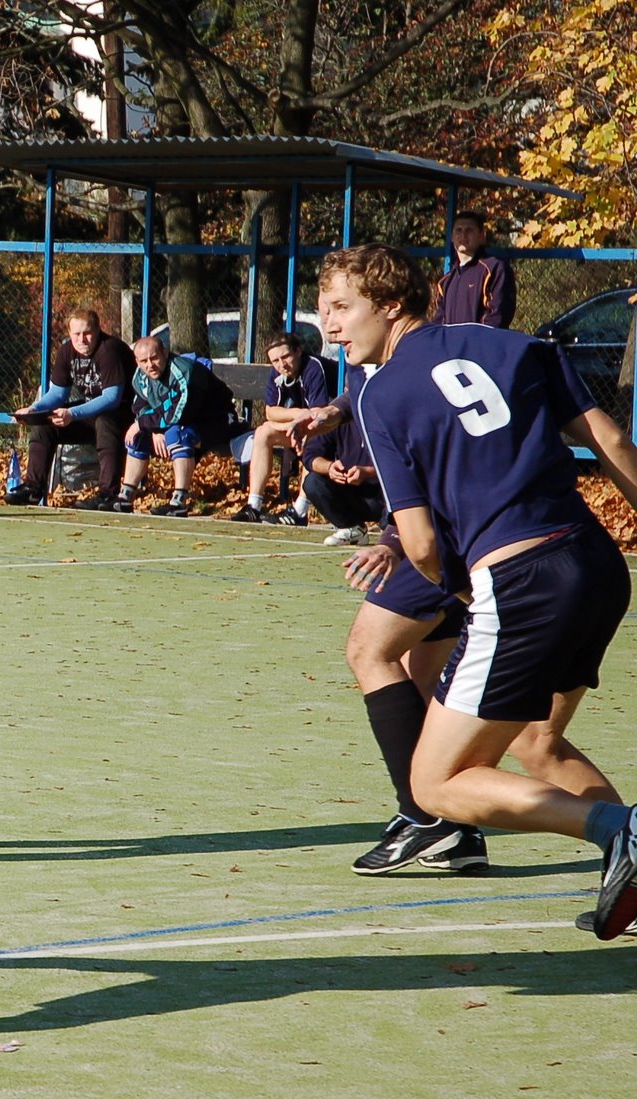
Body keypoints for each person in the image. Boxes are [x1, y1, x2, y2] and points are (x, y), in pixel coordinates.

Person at [301, 242, 637, 937]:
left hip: (521, 583)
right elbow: (610, 441)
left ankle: (622, 828)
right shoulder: (517, 345)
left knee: (437, 785)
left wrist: (467, 596)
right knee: (539, 743)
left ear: (390, 304)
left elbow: (422, 545)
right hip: (597, 566)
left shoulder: (382, 393)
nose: (328, 324)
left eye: (340, 307)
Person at [5, 307, 134, 508]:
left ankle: (107, 495)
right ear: (69, 333)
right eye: (76, 334)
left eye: (87, 333)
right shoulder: (67, 351)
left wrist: (72, 413)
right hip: (91, 412)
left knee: (105, 422)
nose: (82, 340)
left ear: (98, 330)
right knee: (45, 424)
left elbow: (112, 398)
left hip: (126, 415)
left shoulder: (110, 350)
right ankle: (33, 489)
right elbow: (58, 393)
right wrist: (34, 409)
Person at [106, 336, 238, 517]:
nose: (150, 365)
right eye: (143, 361)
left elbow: (179, 415)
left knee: (178, 434)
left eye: (154, 358)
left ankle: (178, 502)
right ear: (137, 361)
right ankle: (125, 497)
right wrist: (151, 430)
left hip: (218, 420)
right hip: (179, 422)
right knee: (137, 436)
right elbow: (140, 408)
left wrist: (147, 425)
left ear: (165, 353)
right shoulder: (140, 377)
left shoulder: (184, 372)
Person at [227, 332, 331, 526]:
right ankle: (254, 507)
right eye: (275, 360)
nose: (281, 365)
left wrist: (297, 419)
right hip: (302, 423)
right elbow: (271, 411)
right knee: (264, 432)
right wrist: (296, 416)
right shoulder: (278, 373)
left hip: (331, 429)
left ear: (298, 351)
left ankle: (300, 511)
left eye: (285, 357)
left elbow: (317, 415)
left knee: (311, 439)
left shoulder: (313, 368)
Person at [300, 397, 382, 547]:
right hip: (350, 491)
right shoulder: (336, 420)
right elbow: (310, 455)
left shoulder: (388, 419)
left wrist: (368, 472)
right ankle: (352, 527)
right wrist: (329, 467)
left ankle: (395, 531)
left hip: (383, 495)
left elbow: (406, 463)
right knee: (313, 482)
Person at [432, 210, 515, 328]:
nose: (463, 235)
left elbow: (496, 318)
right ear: (451, 237)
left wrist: (475, 338)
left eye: (469, 230)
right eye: (458, 230)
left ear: (482, 236)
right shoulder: (445, 281)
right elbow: (439, 323)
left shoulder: (495, 269)